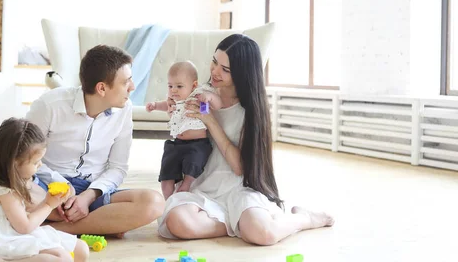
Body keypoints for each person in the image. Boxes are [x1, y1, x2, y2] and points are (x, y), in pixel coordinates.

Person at [157, 34, 335, 245]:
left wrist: (211, 122)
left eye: (225, 69)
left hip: (239, 188)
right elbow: (184, 138)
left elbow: (239, 167)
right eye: (215, 62)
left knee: (264, 235)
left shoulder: (249, 111)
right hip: (204, 186)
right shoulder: (201, 95)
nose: (215, 71)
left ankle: (304, 218)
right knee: (179, 222)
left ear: (242, 74)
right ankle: (239, 225)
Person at [25, 44, 164, 236]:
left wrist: (88, 197)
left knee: (153, 202)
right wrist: (61, 189)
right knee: (12, 188)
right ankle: (98, 223)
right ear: (102, 88)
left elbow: (118, 167)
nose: (132, 87)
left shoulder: (125, 109)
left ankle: (52, 228)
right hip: (46, 187)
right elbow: (22, 158)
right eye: (126, 82)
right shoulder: (49, 105)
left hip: (92, 190)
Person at [0, 118, 89, 262]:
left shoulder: (17, 180)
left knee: (81, 250)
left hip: (14, 233)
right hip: (2, 242)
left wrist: (50, 202)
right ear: (14, 163)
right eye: (36, 162)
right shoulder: (4, 189)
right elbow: (25, 227)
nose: (40, 165)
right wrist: (48, 204)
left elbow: (24, 221)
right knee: (62, 259)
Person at [146, 61, 222, 199]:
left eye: (179, 86)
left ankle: (186, 185)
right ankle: (168, 200)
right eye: (170, 86)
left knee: (193, 164)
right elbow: (165, 105)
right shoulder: (174, 99)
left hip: (197, 143)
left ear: (193, 85)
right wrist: (155, 105)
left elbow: (218, 105)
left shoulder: (199, 94)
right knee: (166, 174)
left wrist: (210, 97)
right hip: (177, 144)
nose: (173, 90)